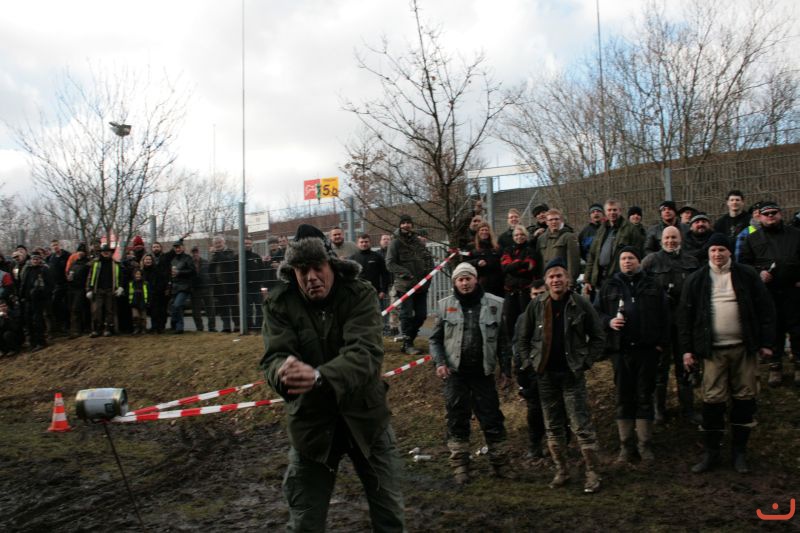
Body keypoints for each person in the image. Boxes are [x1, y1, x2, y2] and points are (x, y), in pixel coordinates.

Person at [260, 224, 405, 532]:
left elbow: (365, 353)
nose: (311, 277)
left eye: (317, 267)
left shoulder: (359, 294)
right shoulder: (280, 302)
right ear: (292, 272)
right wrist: (282, 372)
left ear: (332, 265)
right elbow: (273, 357)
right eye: (302, 270)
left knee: (389, 516)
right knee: (305, 521)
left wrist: (319, 376)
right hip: (311, 424)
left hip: (366, 418)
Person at [679, 234, 775, 474]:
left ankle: (739, 453)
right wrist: (687, 350)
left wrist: (767, 343)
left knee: (745, 399)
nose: (717, 254)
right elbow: (685, 317)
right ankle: (711, 452)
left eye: (722, 249)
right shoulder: (696, 279)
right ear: (708, 253)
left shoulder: (747, 275)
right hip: (712, 351)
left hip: (744, 348)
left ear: (730, 251)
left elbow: (765, 309)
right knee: (712, 400)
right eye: (713, 250)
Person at [516, 257, 606, 493]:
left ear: (568, 279)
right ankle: (562, 471)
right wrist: (529, 363)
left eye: (559, 276)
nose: (556, 280)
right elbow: (523, 338)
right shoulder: (536, 305)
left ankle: (593, 474)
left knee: (581, 426)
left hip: (572, 375)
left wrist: (586, 362)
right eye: (551, 276)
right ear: (546, 281)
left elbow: (598, 337)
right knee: (553, 426)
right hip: (545, 376)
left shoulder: (581, 303)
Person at [430, 262, 511, 484]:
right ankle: (460, 466)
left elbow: (504, 341)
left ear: (476, 279)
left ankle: (500, 464)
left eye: (468, 278)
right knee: (457, 418)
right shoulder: (444, 306)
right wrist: (439, 362)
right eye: (460, 279)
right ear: (455, 282)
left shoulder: (496, 304)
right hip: (455, 374)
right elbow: (435, 340)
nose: (464, 283)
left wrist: (506, 370)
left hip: (483, 373)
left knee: (492, 418)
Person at [596, 247, 670, 465]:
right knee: (623, 397)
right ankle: (625, 446)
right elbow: (596, 313)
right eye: (623, 258)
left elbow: (665, 316)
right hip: (620, 351)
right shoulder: (609, 285)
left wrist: (660, 344)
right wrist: (609, 322)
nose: (627, 261)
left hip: (647, 350)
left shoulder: (652, 284)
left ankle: (644, 445)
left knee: (644, 396)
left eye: (631, 258)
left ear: (639, 261)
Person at [641, 226, 700, 422]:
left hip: (684, 322)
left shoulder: (691, 261)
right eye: (666, 238)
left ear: (680, 238)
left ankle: (688, 410)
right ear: (661, 240)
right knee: (660, 367)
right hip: (660, 324)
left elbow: (699, 290)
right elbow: (641, 288)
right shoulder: (650, 261)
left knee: (686, 365)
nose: (670, 241)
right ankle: (658, 410)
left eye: (674, 237)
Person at [739, 201, 800, 387]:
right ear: (760, 217)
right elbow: (744, 264)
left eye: (774, 213)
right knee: (774, 329)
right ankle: (775, 366)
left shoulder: (795, 234)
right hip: (768, 293)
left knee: (797, 328)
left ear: (780, 214)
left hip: (794, 290)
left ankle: (798, 364)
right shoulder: (752, 239)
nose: (771, 216)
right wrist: (758, 273)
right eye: (767, 214)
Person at [386, 214, 434, 355]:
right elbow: (390, 263)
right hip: (405, 286)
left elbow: (428, 260)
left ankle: (409, 338)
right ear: (400, 225)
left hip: (421, 287)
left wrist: (428, 278)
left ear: (412, 225)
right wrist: (404, 273)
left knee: (421, 315)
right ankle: (408, 344)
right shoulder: (395, 243)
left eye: (409, 223)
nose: (406, 225)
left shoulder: (417, 242)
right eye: (404, 223)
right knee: (406, 315)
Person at [513, 279, 548, 459]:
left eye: (542, 293)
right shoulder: (523, 318)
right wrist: (521, 372)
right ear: (530, 295)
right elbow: (517, 346)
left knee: (557, 410)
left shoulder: (556, 313)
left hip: (552, 370)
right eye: (535, 294)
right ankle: (535, 446)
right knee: (534, 411)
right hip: (531, 372)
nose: (538, 297)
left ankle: (559, 445)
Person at [584, 199, 646, 296]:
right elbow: (592, 255)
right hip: (600, 279)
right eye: (609, 210)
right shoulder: (601, 230)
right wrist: (587, 280)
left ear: (620, 211)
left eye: (614, 210)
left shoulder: (631, 230)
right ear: (605, 212)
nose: (612, 212)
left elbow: (638, 255)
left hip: (620, 280)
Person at [500, 225, 542, 340]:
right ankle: (511, 344)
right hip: (510, 290)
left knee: (526, 318)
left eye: (522, 234)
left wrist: (514, 264)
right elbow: (505, 267)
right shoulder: (507, 250)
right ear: (513, 237)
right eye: (516, 235)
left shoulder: (531, 250)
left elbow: (530, 267)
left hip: (525, 290)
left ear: (526, 236)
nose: (519, 237)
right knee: (509, 319)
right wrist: (520, 263)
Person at [86, 243, 124, 337]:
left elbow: (120, 277)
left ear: (110, 252)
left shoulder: (116, 264)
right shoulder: (95, 263)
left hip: (110, 290)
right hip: (97, 290)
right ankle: (96, 330)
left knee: (109, 310)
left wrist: (120, 287)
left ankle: (108, 329)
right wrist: (89, 289)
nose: (106, 253)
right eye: (104, 251)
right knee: (96, 310)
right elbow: (90, 277)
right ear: (101, 252)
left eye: (108, 251)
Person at [19, 251, 54, 351]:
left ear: (40, 260)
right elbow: (23, 284)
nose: (35, 261)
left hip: (39, 300)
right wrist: (21, 296)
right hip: (27, 299)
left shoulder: (44, 270)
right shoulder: (27, 269)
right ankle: (32, 342)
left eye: (37, 259)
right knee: (28, 321)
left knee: (38, 321)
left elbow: (50, 285)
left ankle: (41, 342)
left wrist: (42, 293)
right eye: (33, 259)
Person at [537, 209, 580, 286]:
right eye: (550, 220)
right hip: (546, 282)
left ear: (561, 220)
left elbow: (573, 263)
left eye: (556, 219)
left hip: (562, 282)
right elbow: (539, 262)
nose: (554, 222)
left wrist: (570, 282)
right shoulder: (541, 239)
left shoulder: (569, 237)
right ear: (546, 222)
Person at [209, 235, 240, 333]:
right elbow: (210, 268)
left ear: (224, 242)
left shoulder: (230, 252)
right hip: (218, 285)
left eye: (219, 243)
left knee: (234, 306)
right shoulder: (215, 255)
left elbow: (227, 260)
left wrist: (217, 252)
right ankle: (226, 326)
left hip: (230, 284)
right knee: (223, 307)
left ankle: (238, 325)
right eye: (216, 243)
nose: (218, 245)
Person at [467, 222, 504, 297]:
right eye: (482, 230)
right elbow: (465, 262)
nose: (484, 232)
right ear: (478, 232)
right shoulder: (471, 246)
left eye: (486, 230)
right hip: (480, 283)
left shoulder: (497, 247)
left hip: (498, 283)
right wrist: (476, 262)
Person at [166, 240, 195, 334]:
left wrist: (179, 272)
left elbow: (193, 271)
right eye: (175, 247)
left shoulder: (188, 258)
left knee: (177, 305)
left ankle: (177, 325)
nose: (177, 249)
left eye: (179, 247)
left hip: (184, 287)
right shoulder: (173, 260)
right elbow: (170, 274)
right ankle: (177, 327)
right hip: (174, 287)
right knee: (174, 307)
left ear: (183, 247)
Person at [350, 234, 389, 301]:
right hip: (358, 293)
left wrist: (383, 290)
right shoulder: (352, 258)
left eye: (366, 242)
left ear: (370, 243)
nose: (364, 244)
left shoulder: (377, 257)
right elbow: (349, 277)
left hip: (375, 292)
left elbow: (385, 274)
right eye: (361, 242)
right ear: (357, 244)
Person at [66, 243, 91, 338]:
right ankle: (75, 329)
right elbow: (69, 273)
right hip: (72, 288)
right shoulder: (74, 263)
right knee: (72, 309)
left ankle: (77, 330)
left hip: (82, 289)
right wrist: (69, 278)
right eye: (79, 252)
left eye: (82, 252)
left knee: (77, 309)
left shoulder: (88, 264)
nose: (80, 254)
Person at [242, 237, 267, 331]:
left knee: (259, 308)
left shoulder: (256, 257)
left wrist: (261, 284)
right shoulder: (239, 257)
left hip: (257, 288)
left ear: (252, 245)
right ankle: (249, 327)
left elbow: (262, 271)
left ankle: (258, 327)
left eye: (249, 243)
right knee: (247, 309)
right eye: (245, 243)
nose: (247, 245)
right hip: (245, 288)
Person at [47, 239, 71, 336]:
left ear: (60, 245)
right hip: (55, 285)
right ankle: (59, 326)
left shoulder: (67, 255)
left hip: (66, 285)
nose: (55, 247)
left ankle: (67, 326)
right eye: (53, 245)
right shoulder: (51, 258)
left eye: (56, 245)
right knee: (56, 306)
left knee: (67, 306)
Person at [190, 246, 216, 332]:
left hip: (207, 288)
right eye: (193, 252)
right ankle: (199, 328)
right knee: (196, 310)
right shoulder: (189, 263)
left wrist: (211, 284)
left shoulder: (206, 262)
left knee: (210, 309)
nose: (195, 254)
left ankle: (212, 327)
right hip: (195, 289)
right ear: (191, 253)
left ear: (199, 252)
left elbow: (212, 273)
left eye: (196, 252)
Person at [128, 268, 149, 334]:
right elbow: (129, 293)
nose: (138, 276)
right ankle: (136, 328)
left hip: (143, 302)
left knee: (143, 317)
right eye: (136, 274)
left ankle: (143, 328)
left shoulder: (145, 283)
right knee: (135, 316)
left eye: (139, 274)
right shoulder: (131, 283)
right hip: (134, 302)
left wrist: (148, 301)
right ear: (134, 275)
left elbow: (148, 292)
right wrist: (130, 301)